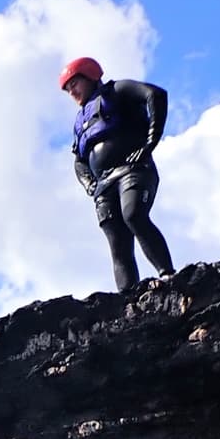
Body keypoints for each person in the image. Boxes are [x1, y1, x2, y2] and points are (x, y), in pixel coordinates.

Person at [61, 57, 175, 292]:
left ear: (90, 75)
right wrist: (89, 184)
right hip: (103, 184)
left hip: (132, 169)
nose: (71, 90)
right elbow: (79, 160)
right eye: (67, 87)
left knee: (133, 215)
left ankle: (168, 274)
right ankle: (128, 297)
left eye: (75, 83)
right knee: (118, 243)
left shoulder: (116, 91)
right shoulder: (80, 121)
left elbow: (155, 95)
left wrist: (151, 141)